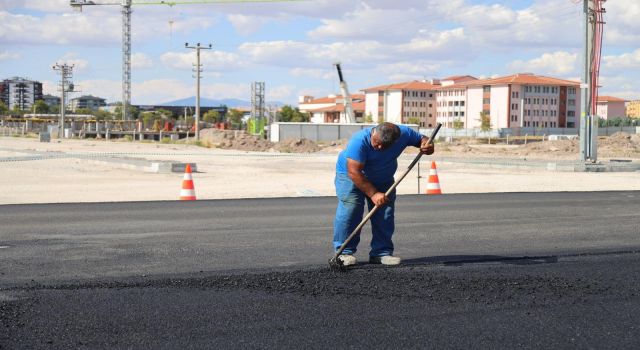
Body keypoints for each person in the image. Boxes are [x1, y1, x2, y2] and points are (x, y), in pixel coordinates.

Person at [333, 122, 435, 266]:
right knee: (351, 209)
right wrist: (373, 193)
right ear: (373, 133)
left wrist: (428, 146)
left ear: (396, 141)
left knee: (385, 213)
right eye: (376, 143)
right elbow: (353, 171)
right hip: (351, 176)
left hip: (383, 177)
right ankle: (343, 253)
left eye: (384, 145)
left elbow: (423, 141)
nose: (379, 147)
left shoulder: (404, 134)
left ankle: (381, 253)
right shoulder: (359, 141)